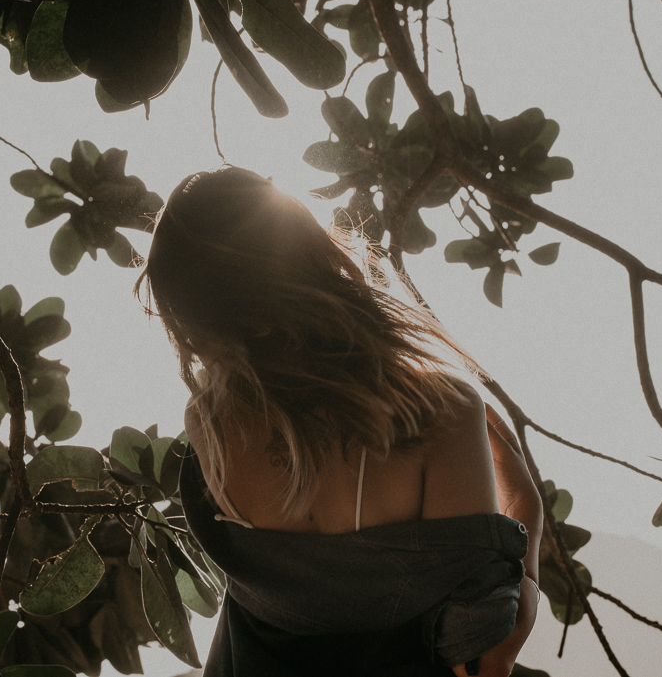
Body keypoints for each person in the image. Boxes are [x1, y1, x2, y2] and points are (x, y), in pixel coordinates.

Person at [140, 166, 543, 676]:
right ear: (310, 252)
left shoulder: (209, 424)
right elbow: (483, 660)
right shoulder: (441, 411)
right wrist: (527, 521)